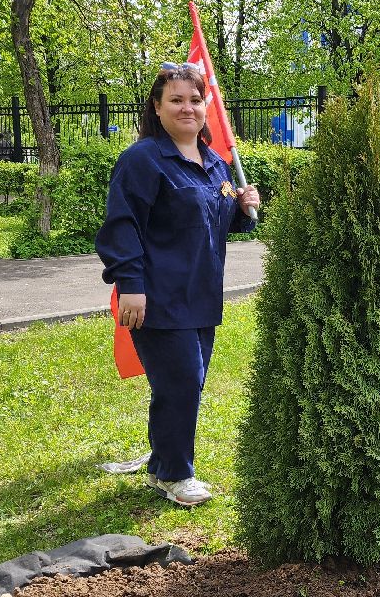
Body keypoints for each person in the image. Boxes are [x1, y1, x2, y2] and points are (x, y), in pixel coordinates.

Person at [95, 62, 261, 506]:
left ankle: (162, 460)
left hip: (201, 295)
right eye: (176, 100)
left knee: (186, 383)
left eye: (195, 99)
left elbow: (214, 223)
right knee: (182, 383)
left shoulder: (215, 163)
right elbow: (122, 226)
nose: (187, 108)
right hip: (157, 295)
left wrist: (243, 209)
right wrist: (130, 284)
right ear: (157, 106)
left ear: (206, 106)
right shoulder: (143, 159)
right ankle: (174, 474)